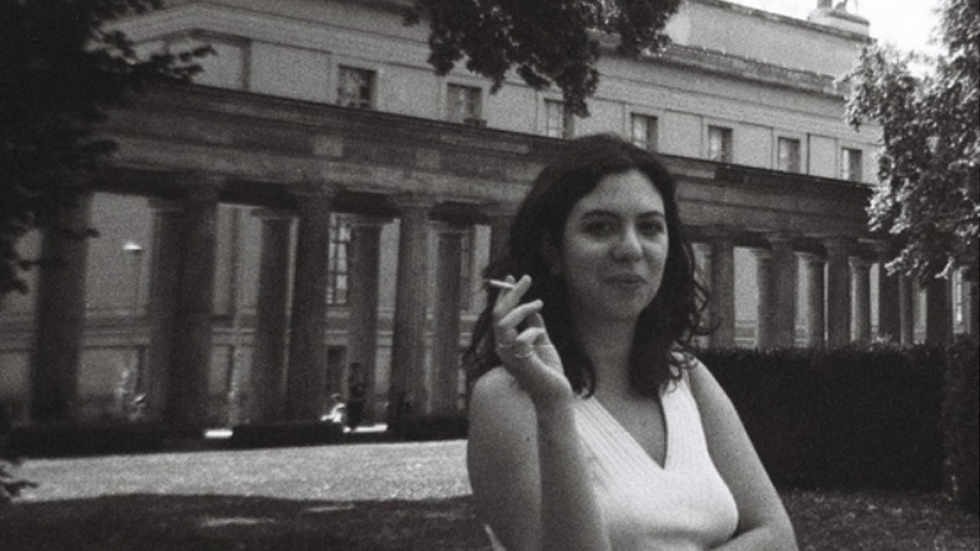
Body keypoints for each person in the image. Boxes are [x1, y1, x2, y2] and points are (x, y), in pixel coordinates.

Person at [465, 134, 798, 551]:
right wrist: (554, 406)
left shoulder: (686, 376)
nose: (630, 248)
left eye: (649, 227)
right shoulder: (506, 397)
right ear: (553, 251)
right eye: (600, 227)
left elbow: (778, 536)